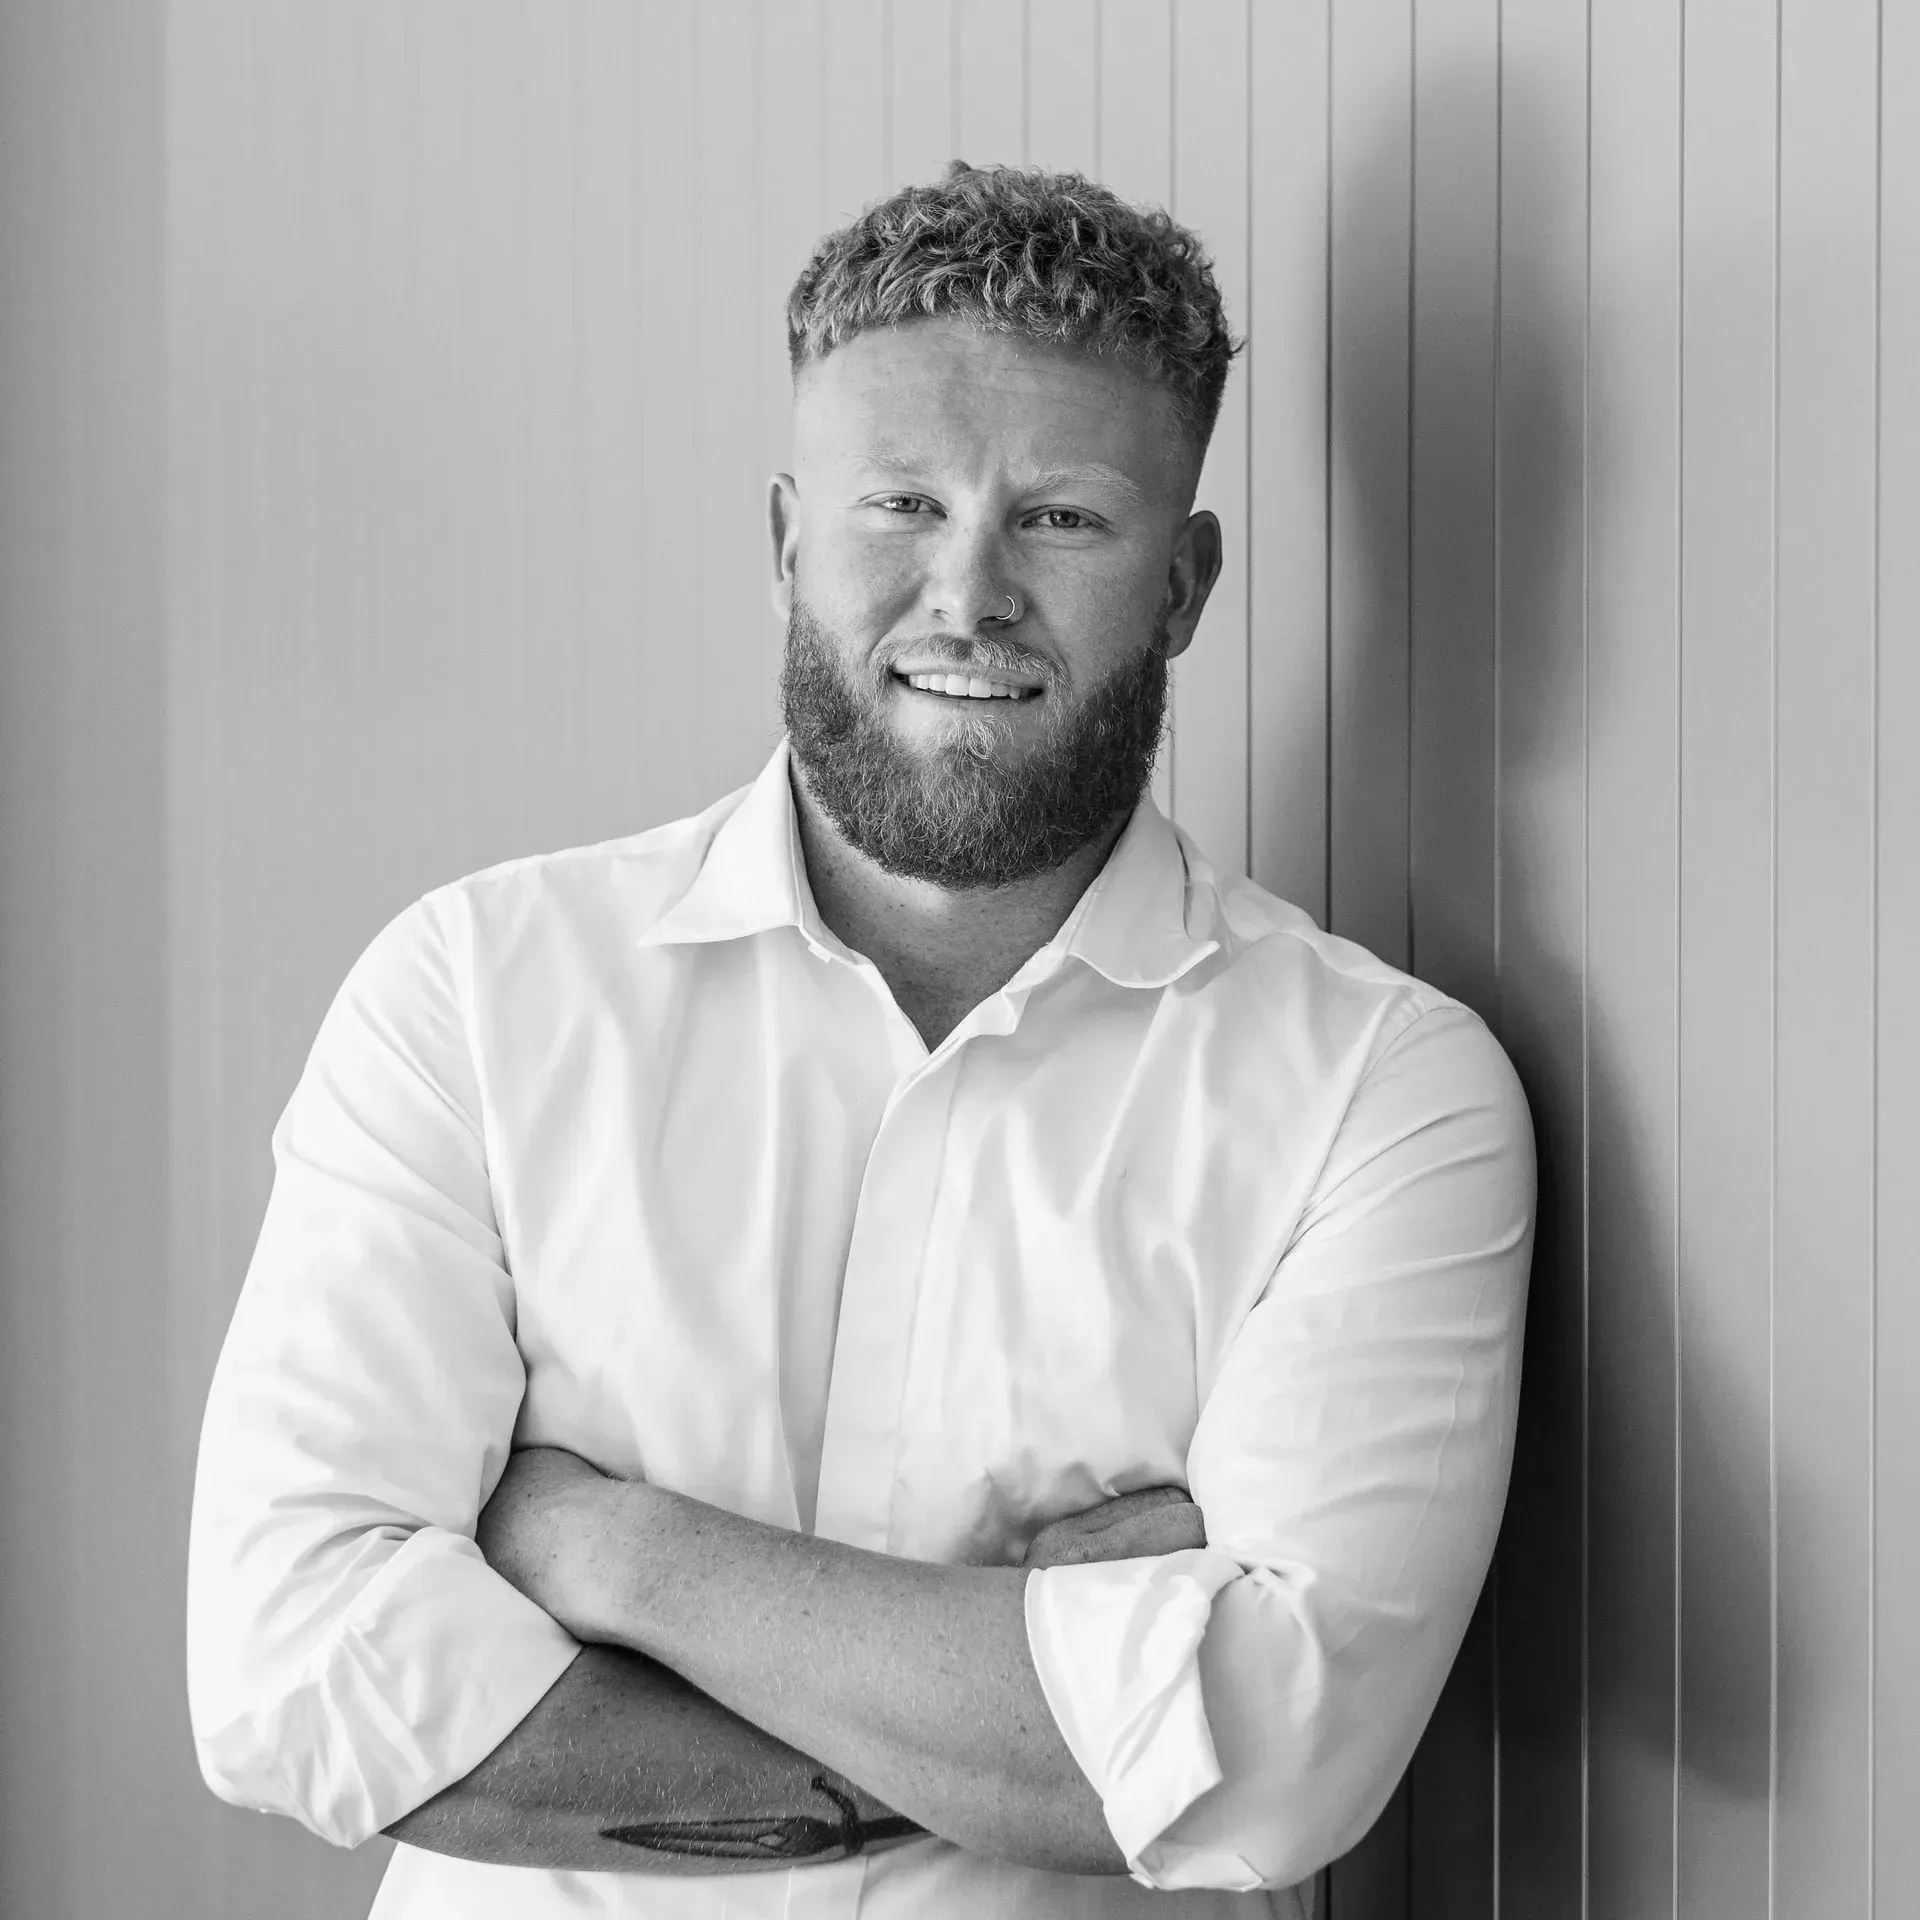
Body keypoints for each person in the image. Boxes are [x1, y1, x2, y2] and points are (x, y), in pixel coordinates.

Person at [187, 160, 1535, 1920]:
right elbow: (294, 1673)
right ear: (781, 543)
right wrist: (1043, 1711)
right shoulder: (474, 992)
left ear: (1189, 584)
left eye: (1062, 518)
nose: (965, 595)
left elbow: (1274, 1754)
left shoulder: (1383, 1092)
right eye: (899, 501)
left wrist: (605, 1543)